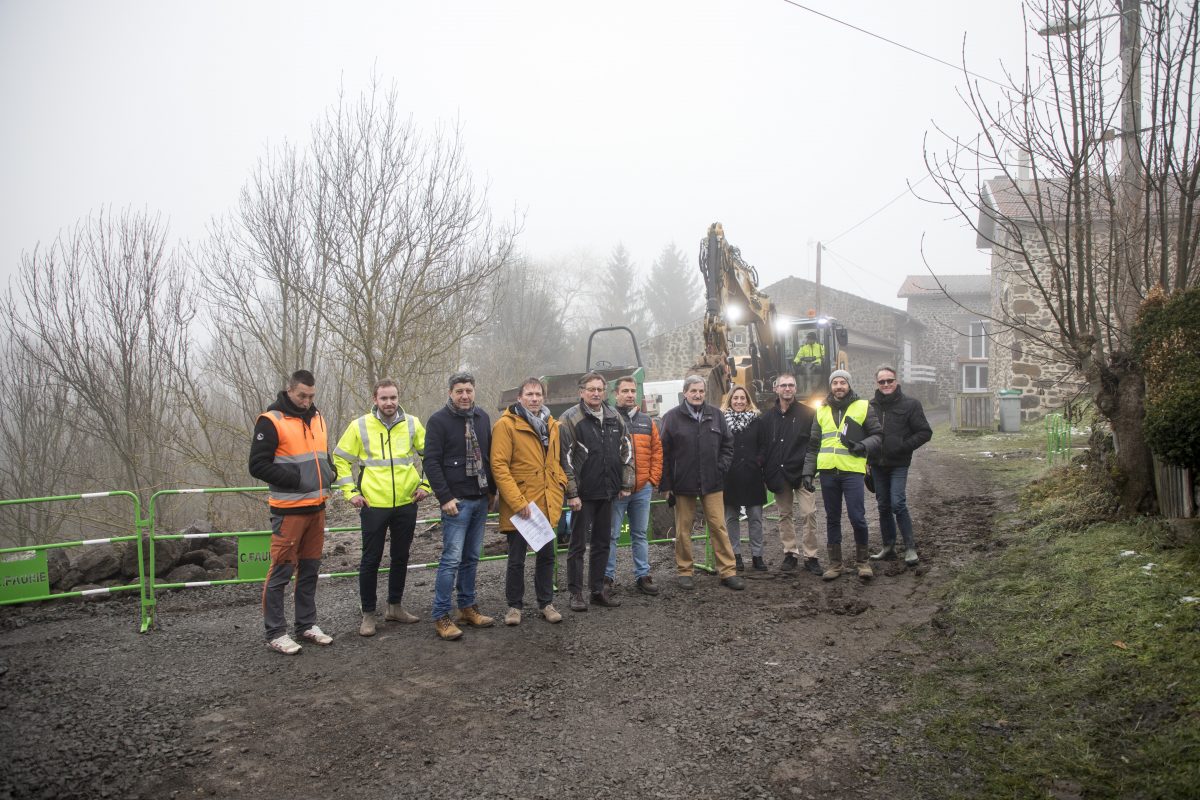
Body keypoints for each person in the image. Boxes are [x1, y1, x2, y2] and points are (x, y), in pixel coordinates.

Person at [332, 378, 429, 637]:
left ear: (399, 398)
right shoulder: (360, 425)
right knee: (370, 559)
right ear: (375, 399)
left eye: (393, 398)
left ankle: (395, 607)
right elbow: (340, 458)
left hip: (407, 503)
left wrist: (426, 486)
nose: (389, 402)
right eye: (384, 398)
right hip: (373, 504)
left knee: (401, 556)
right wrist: (350, 492)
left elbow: (431, 455)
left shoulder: (412, 424)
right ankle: (368, 614)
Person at [248, 369, 336, 655]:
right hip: (288, 510)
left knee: (310, 569)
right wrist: (297, 479)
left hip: (317, 507)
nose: (307, 401)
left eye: (311, 396)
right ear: (289, 390)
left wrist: (329, 472)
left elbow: (323, 454)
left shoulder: (318, 417)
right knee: (282, 571)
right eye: (302, 395)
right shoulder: (271, 420)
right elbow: (257, 465)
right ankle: (275, 632)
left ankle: (306, 624)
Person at [424, 372, 497, 640]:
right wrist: (444, 498)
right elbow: (430, 462)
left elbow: (488, 458)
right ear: (450, 393)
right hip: (456, 503)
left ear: (474, 391)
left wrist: (492, 491)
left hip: (479, 499)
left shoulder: (483, 418)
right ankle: (441, 616)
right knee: (451, 560)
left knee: (471, 558)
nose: (464, 395)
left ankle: (467, 607)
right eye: (459, 391)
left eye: (468, 390)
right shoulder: (438, 421)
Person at [492, 377, 567, 626]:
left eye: (538, 394)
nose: (534, 399)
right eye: (529, 394)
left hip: (546, 501)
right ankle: (514, 607)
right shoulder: (506, 425)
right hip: (521, 505)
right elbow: (499, 465)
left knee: (547, 556)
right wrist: (517, 501)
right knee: (516, 559)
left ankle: (546, 603)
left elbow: (556, 462)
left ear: (543, 398)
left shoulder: (552, 425)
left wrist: (561, 485)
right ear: (519, 398)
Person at [659, 375, 746, 591]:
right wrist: (666, 485)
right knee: (683, 530)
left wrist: (721, 467)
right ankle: (685, 571)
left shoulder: (716, 415)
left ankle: (727, 571)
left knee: (718, 526)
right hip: (683, 483)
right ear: (685, 392)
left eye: (701, 391)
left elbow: (728, 444)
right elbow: (665, 454)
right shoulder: (671, 418)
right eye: (693, 391)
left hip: (712, 482)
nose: (697, 395)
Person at [559, 372, 634, 612]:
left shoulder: (614, 417)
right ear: (581, 392)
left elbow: (627, 450)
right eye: (591, 389)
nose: (596, 393)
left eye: (599, 389)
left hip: (608, 491)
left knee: (603, 543)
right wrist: (572, 493)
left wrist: (625, 484)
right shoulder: (570, 419)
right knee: (578, 545)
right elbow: (564, 460)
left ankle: (598, 590)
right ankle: (575, 593)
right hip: (582, 494)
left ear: (605, 391)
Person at [801, 369, 883, 581]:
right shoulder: (821, 410)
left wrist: (862, 445)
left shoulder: (863, 406)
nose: (839, 386)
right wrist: (808, 472)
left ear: (849, 385)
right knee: (832, 519)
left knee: (857, 517)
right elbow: (813, 445)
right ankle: (835, 564)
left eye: (842, 383)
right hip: (828, 472)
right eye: (835, 383)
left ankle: (862, 562)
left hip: (852, 471)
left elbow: (878, 436)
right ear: (831, 386)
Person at [867, 365, 933, 567]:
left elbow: (924, 432)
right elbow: (864, 433)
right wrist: (866, 457)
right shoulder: (869, 406)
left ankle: (910, 547)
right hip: (877, 464)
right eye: (882, 382)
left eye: (890, 381)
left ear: (896, 382)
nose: (886, 384)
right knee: (883, 505)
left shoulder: (911, 405)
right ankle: (888, 546)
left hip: (899, 464)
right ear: (877, 384)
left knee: (897, 503)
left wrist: (904, 447)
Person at [605, 376, 663, 596]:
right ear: (615, 394)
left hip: (642, 489)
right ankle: (607, 577)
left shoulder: (647, 421)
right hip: (617, 491)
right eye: (625, 391)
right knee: (611, 535)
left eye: (633, 390)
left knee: (640, 534)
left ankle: (643, 575)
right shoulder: (608, 419)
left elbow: (657, 451)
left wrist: (652, 479)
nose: (630, 394)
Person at [760, 372, 822, 575]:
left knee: (808, 513)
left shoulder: (808, 414)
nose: (787, 389)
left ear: (795, 388)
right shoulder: (767, 418)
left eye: (791, 385)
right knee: (784, 514)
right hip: (779, 474)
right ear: (776, 389)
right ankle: (790, 553)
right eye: (783, 385)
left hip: (802, 473)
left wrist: (810, 471)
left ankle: (811, 555)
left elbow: (814, 444)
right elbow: (764, 446)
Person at [720, 385, 768, 572]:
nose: (739, 401)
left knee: (755, 517)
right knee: (731, 518)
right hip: (730, 476)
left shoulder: (757, 421)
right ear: (730, 400)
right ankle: (735, 555)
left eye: (743, 398)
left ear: (748, 401)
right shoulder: (722, 421)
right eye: (735, 398)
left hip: (752, 475)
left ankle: (757, 556)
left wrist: (758, 461)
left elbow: (764, 445)